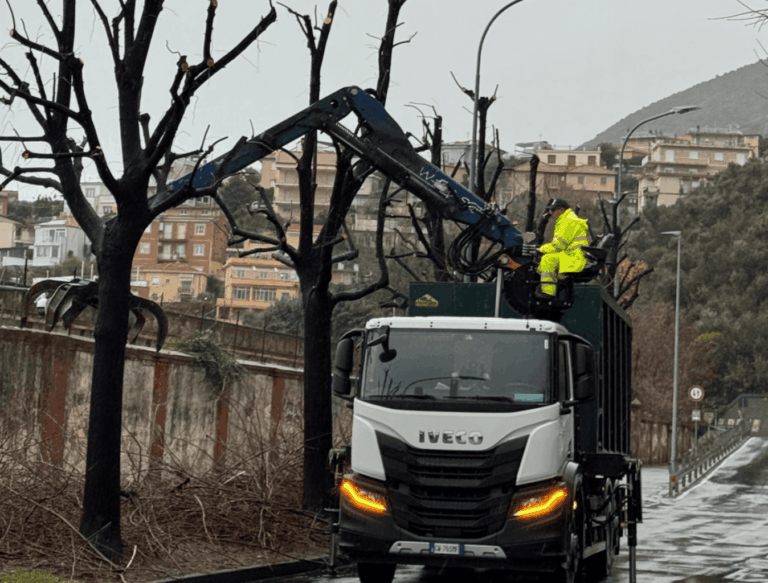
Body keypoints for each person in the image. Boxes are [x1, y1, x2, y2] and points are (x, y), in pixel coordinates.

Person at [536, 199, 590, 298]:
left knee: (548, 260)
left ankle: (548, 293)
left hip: (573, 258)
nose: (551, 213)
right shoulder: (567, 219)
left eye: (552, 210)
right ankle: (547, 289)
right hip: (572, 256)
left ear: (561, 209)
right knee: (545, 264)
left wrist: (541, 249)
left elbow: (558, 246)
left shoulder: (568, 221)